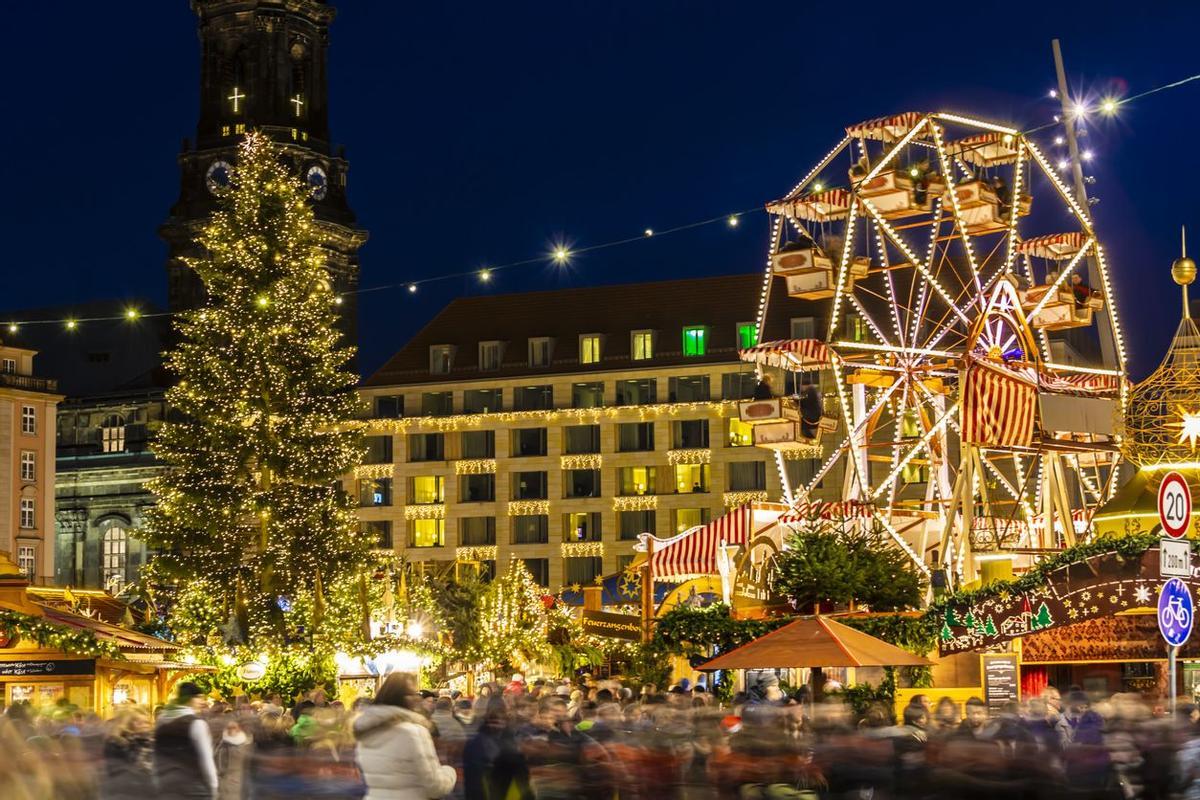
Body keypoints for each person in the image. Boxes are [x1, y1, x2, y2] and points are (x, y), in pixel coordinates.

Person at [354, 672, 457, 800]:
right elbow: (435, 786)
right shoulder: (413, 733)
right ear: (401, 697)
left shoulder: (365, 731)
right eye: (413, 694)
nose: (417, 698)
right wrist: (449, 773)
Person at [153, 681, 219, 799]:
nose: (202, 702)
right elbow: (206, 759)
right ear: (190, 698)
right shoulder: (196, 723)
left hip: (166, 785)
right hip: (192, 787)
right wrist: (214, 786)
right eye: (198, 697)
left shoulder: (162, 719)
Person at [214, 719, 252, 800]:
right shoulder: (222, 745)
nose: (232, 730)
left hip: (239, 779)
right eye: (229, 728)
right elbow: (219, 765)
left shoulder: (246, 743)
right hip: (228, 780)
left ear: (239, 728)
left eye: (234, 727)